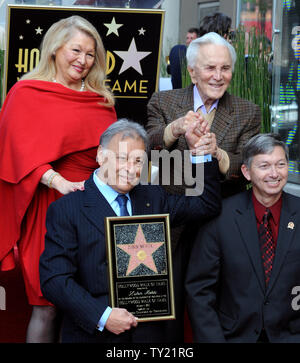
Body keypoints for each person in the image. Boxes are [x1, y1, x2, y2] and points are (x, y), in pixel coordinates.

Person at [39, 119, 221, 343]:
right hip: (94, 335)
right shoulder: (67, 208)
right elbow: (54, 280)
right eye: (122, 158)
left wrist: (200, 153)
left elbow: (207, 205)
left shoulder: (152, 197)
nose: (131, 169)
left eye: (138, 161)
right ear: (100, 155)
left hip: (150, 336)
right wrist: (103, 316)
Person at [0, 15, 117, 342]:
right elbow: (13, 149)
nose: (83, 60)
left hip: (93, 208)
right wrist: (55, 181)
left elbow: (110, 154)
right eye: (75, 50)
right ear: (54, 49)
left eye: (90, 54)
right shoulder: (26, 92)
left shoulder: (100, 99)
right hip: (47, 208)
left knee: (89, 302)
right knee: (47, 304)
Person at [146, 31, 261, 341]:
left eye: (224, 68)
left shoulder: (247, 111)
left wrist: (217, 154)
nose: (218, 76)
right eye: (210, 68)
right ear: (193, 71)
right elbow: (150, 146)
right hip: (175, 220)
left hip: (221, 220)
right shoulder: (165, 101)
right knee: (167, 308)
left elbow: (248, 163)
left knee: (216, 304)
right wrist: (176, 128)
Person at [186, 133, 300, 343]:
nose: (274, 173)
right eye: (264, 166)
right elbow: (199, 290)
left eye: (280, 164)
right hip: (234, 336)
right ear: (247, 172)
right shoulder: (220, 218)